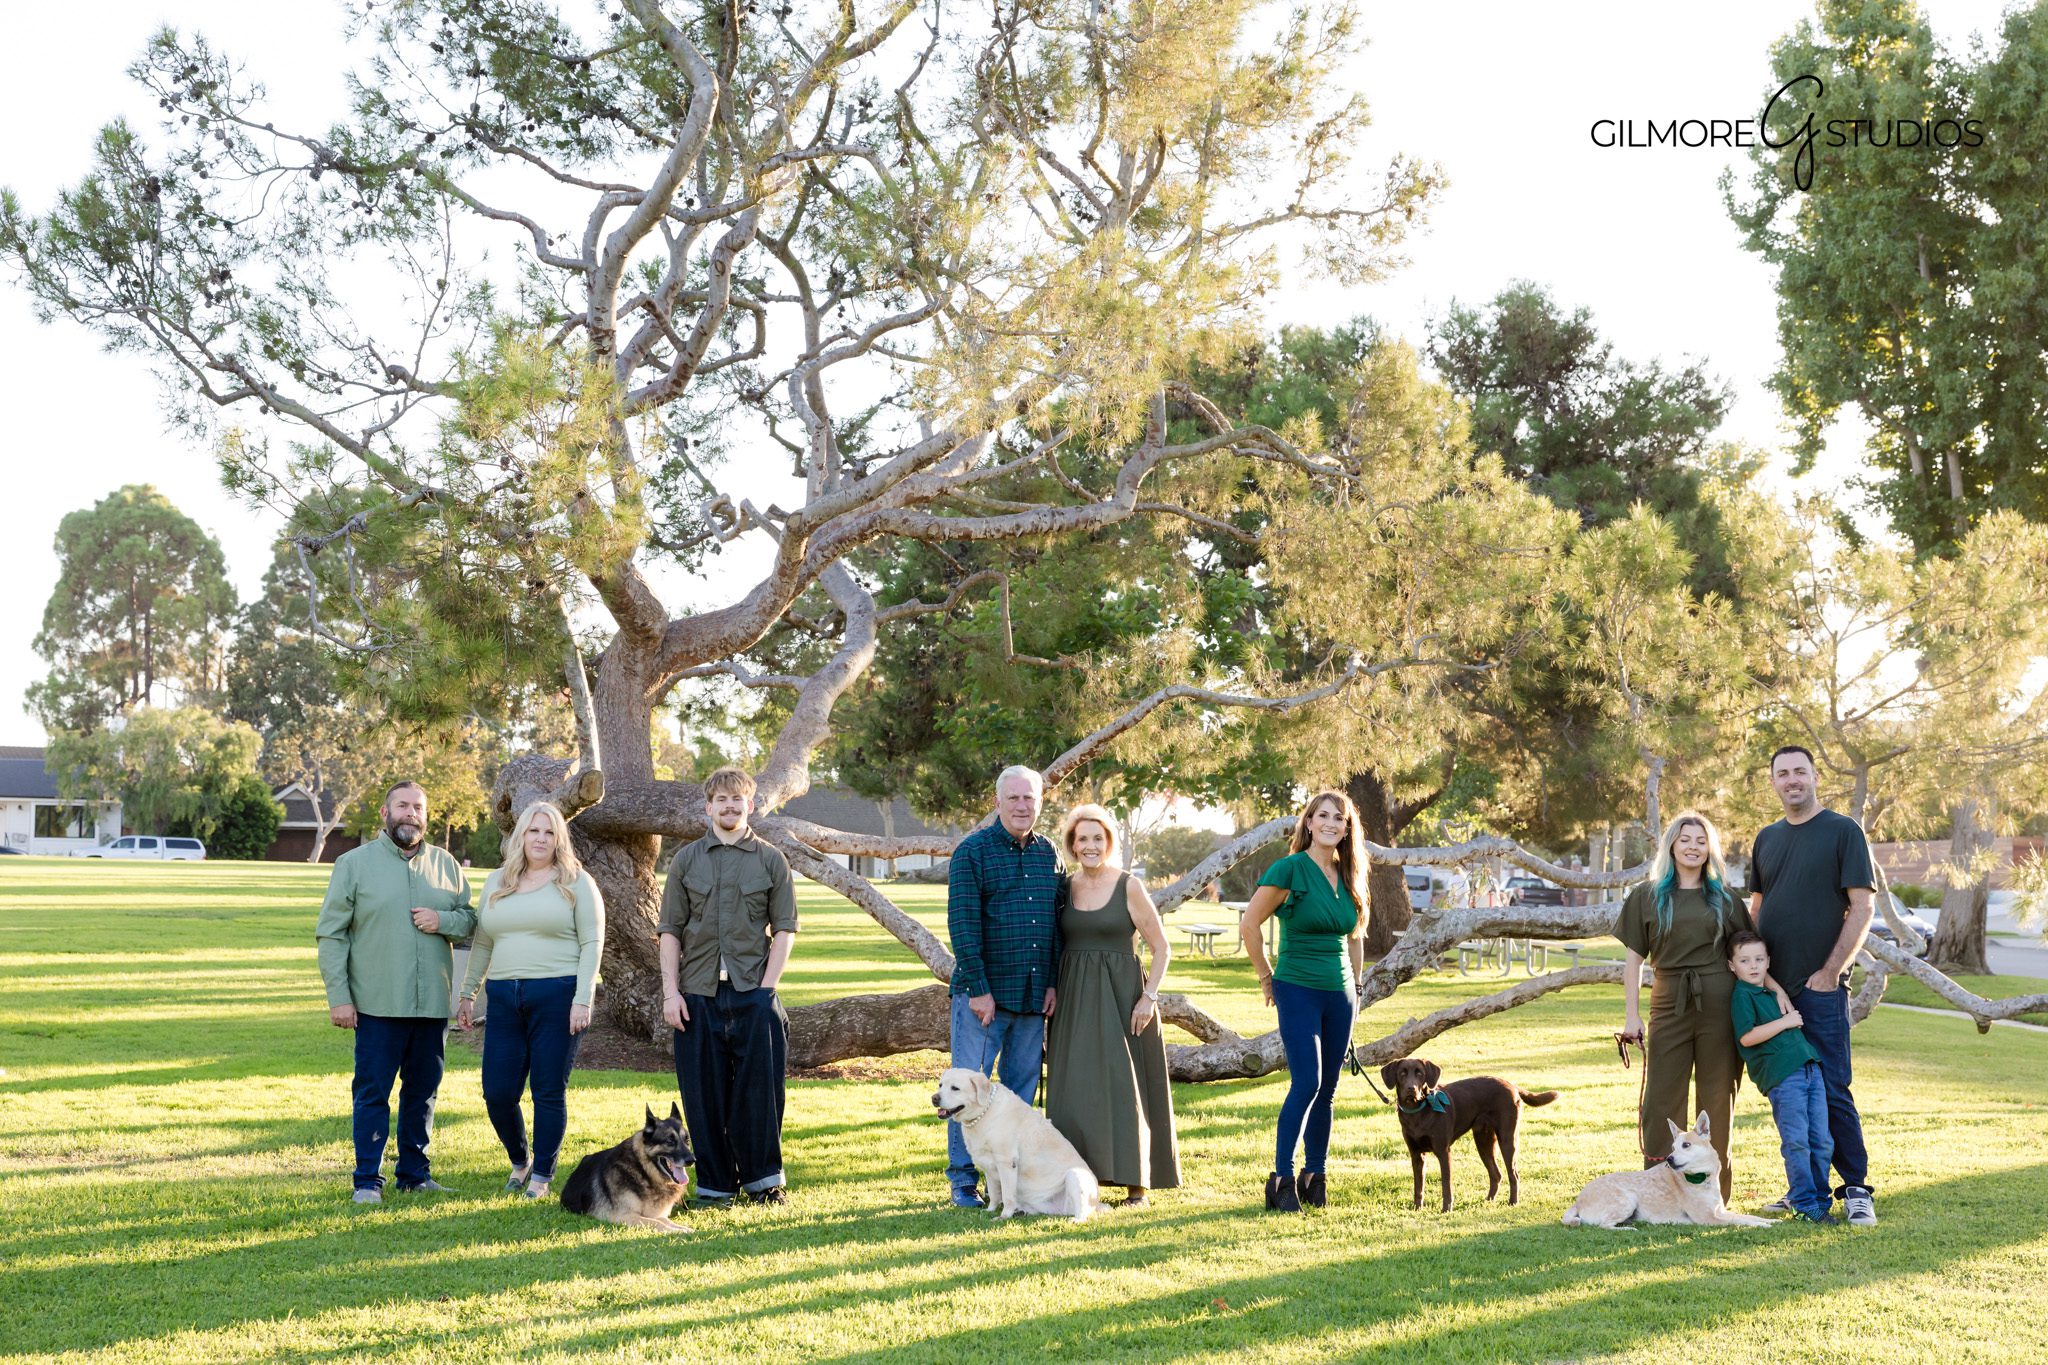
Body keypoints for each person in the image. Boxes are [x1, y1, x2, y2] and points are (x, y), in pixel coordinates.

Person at [315, 779, 475, 1204]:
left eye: (418, 807)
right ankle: (367, 1181)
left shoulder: (446, 865)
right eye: (402, 806)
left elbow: (469, 920)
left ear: (426, 816)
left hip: (431, 1004)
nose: (411, 814)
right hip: (376, 1002)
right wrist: (339, 997)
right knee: (373, 1093)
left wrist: (442, 920)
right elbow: (331, 934)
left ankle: (414, 1175)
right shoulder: (353, 864)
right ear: (385, 813)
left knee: (423, 1093)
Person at [658, 766, 799, 1207]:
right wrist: (671, 993)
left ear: (750, 805)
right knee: (704, 1096)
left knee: (760, 1093)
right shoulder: (686, 861)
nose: (730, 806)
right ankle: (715, 1186)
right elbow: (669, 931)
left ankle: (764, 1184)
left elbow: (785, 930)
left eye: (737, 799)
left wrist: (766, 991)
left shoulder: (771, 860)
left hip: (753, 993)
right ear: (709, 807)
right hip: (697, 995)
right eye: (721, 799)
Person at [1750, 744, 1878, 1226]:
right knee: (1791, 1093)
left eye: (1799, 771)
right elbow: (1758, 909)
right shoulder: (1767, 838)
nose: (1792, 780)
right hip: (1773, 990)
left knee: (1832, 1088)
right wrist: (1756, 978)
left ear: (1815, 776)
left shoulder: (1843, 831)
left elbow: (1862, 907)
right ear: (1773, 782)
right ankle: (1805, 1189)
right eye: (1782, 773)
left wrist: (1830, 973)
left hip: (1819, 990)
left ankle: (1857, 1189)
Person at [456, 801, 605, 1200]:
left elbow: (592, 942)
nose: (541, 839)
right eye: (533, 831)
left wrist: (583, 998)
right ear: (520, 835)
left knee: (547, 1090)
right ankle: (520, 1160)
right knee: (498, 1092)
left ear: (559, 839)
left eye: (549, 832)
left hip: (558, 994)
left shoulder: (576, 882)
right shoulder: (497, 881)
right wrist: (468, 992)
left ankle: (542, 1174)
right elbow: (483, 941)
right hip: (504, 997)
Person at [1614, 810, 1764, 1201]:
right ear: (1672, 846)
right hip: (1668, 1003)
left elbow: (1748, 954)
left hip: (1719, 1006)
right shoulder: (1646, 896)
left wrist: (1769, 997)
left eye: (1701, 841)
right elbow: (1633, 960)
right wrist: (1631, 1016)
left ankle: (1714, 1195)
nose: (1693, 847)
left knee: (1717, 1100)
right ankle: (1658, 1193)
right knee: (1661, 1100)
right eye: (1685, 839)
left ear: (1710, 849)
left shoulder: (1725, 898)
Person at [1044, 804, 1180, 1206]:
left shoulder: (1128, 886)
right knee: (1074, 1087)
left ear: (1109, 843)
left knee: (1126, 1086)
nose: (1090, 846)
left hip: (1124, 999)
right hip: (1073, 999)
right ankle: (1075, 1179)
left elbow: (1162, 948)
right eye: (1082, 839)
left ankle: (1137, 1185)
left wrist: (1148, 997)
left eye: (1097, 838)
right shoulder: (1064, 888)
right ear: (1072, 845)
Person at [1241, 790, 1369, 1212]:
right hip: (1296, 988)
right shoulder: (1290, 868)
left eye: (1339, 818)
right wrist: (1266, 977)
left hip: (1341, 994)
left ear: (1347, 829)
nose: (1331, 823)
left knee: (1328, 1089)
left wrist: (1357, 987)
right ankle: (1281, 1178)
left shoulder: (1350, 874)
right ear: (1309, 823)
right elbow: (1249, 924)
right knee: (1307, 1083)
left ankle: (1315, 1175)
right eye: (1323, 816)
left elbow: (1355, 937)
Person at [945, 764, 1064, 1208]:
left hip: (1032, 997)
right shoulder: (972, 852)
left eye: (1029, 797)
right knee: (965, 1092)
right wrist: (978, 989)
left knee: (1019, 1095)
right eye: (1013, 797)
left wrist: (1051, 982)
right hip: (983, 998)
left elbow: (1056, 926)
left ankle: (1015, 1183)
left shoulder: (1050, 853)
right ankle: (963, 1182)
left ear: (1040, 802)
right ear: (997, 802)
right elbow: (962, 925)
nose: (1021, 805)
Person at [1727, 930, 1838, 1224]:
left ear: (1768, 962)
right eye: (1745, 960)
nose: (1753, 966)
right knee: (1797, 1141)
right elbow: (1747, 1037)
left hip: (1809, 1068)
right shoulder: (1742, 996)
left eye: (1759, 959)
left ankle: (1820, 1201)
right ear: (1732, 966)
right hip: (1784, 1075)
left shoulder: (1771, 992)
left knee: (1822, 1140)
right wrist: (1786, 1022)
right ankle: (1803, 1203)